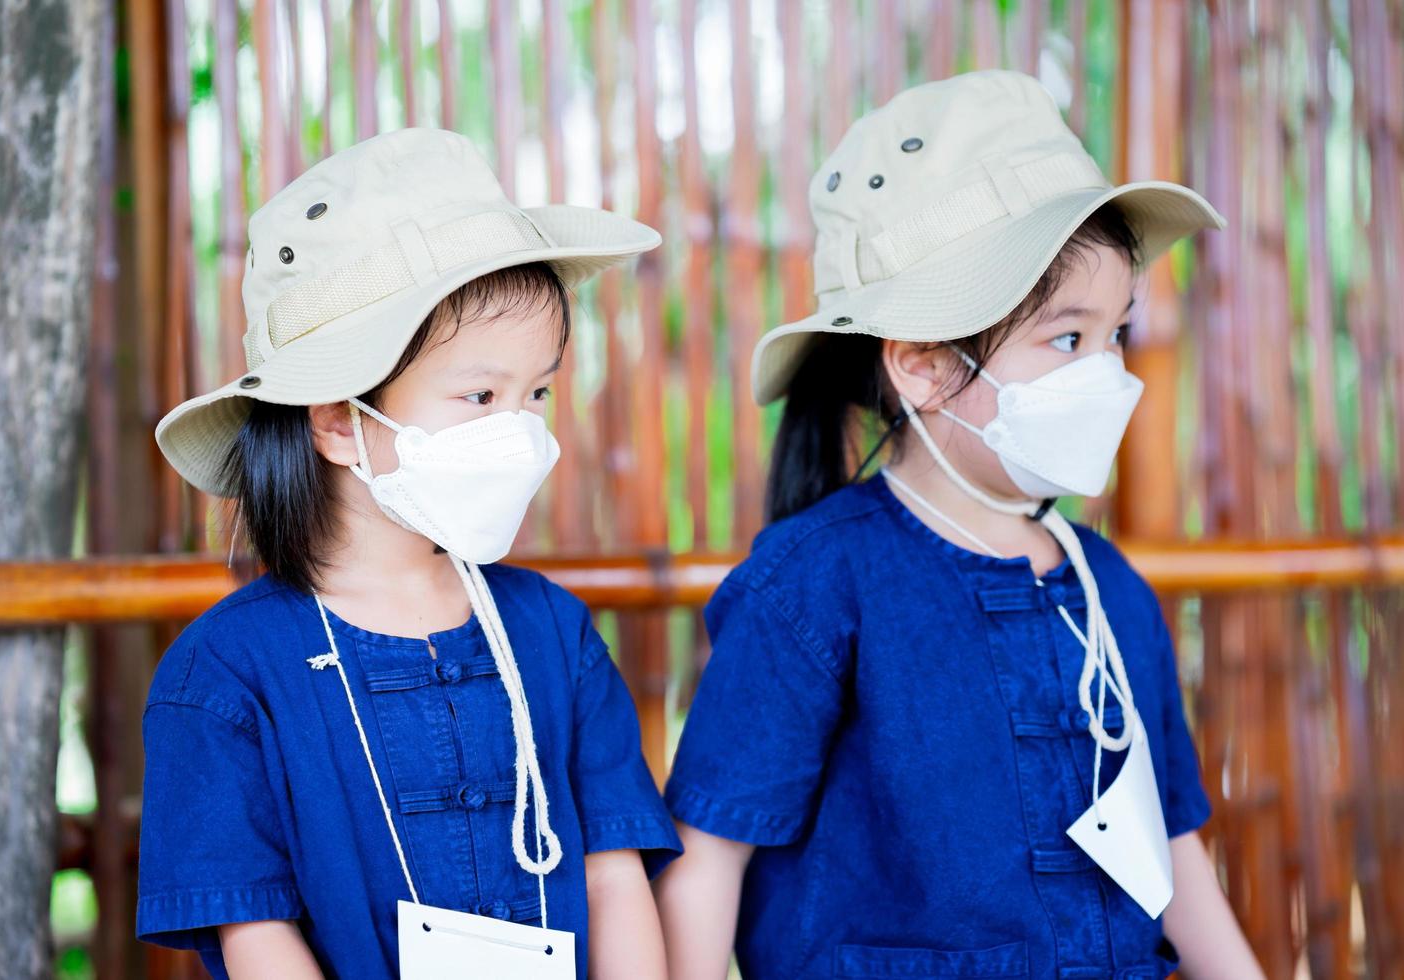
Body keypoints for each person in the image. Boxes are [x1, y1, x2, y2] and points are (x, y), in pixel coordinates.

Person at [653, 70, 1263, 980]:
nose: (1107, 373)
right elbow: (708, 858)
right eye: (1067, 339)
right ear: (925, 367)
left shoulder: (1111, 591)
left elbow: (1173, 848)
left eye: (1117, 334)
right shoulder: (816, 583)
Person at [137, 128, 680, 979]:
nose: (520, 427)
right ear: (337, 421)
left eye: (535, 392)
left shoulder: (555, 633)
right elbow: (255, 934)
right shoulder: (222, 677)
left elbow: (613, 876)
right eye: (480, 394)